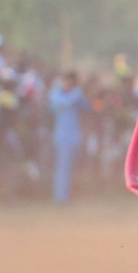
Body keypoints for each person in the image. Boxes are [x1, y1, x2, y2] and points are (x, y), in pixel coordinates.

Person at [47, 71, 88, 204]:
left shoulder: (77, 95)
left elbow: (87, 107)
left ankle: (69, 195)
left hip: (75, 136)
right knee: (62, 168)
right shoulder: (58, 94)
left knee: (72, 168)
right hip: (62, 136)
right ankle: (60, 198)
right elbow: (65, 102)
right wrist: (77, 93)